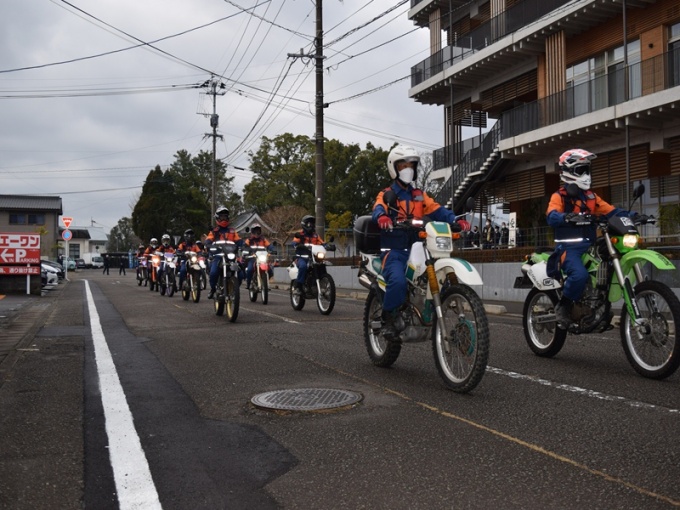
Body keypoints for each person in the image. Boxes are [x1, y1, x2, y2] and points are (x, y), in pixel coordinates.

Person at [372, 144, 462, 340]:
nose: (408, 169)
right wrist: (382, 218)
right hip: (394, 250)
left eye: (411, 165)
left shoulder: (419, 195)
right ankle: (388, 319)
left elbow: (437, 209)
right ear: (394, 168)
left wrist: (455, 220)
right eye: (403, 165)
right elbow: (378, 208)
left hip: (418, 248)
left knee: (438, 273)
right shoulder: (387, 194)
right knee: (397, 282)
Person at [547, 148, 639, 329]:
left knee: (606, 270)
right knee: (579, 275)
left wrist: (635, 215)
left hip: (591, 247)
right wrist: (566, 217)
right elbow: (551, 216)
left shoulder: (591, 197)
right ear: (569, 172)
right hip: (568, 249)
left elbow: (611, 211)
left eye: (588, 170)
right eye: (581, 170)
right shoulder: (559, 196)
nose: (586, 175)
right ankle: (563, 305)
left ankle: (599, 308)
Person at [205, 206, 242, 299]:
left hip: (231, 257)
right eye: (222, 217)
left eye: (225, 217)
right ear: (217, 218)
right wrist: (209, 246)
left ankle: (234, 288)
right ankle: (213, 289)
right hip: (218, 256)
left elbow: (239, 241)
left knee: (241, 273)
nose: (224, 219)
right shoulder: (214, 231)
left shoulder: (233, 231)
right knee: (213, 273)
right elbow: (208, 241)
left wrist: (245, 246)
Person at [291, 215, 325, 295]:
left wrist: (328, 245)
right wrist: (297, 245)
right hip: (301, 257)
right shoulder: (300, 234)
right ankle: (298, 287)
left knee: (322, 265)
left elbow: (322, 242)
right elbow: (294, 243)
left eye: (313, 224)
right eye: (310, 224)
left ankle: (322, 284)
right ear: (304, 224)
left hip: (313, 257)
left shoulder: (315, 235)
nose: (312, 226)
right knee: (303, 267)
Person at [243, 224, 274, 289]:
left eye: (258, 230)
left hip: (262, 258)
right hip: (252, 258)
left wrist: (272, 250)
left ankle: (265, 282)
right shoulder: (249, 240)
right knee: (250, 269)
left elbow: (269, 246)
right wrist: (246, 252)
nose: (257, 232)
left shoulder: (263, 239)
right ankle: (249, 284)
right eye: (255, 230)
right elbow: (244, 247)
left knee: (270, 270)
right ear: (252, 231)